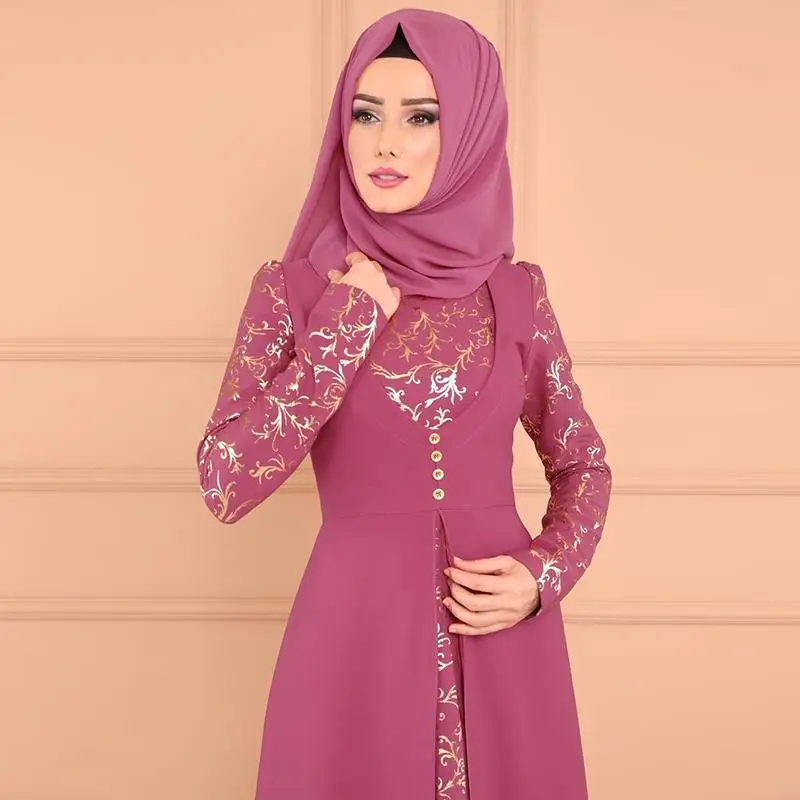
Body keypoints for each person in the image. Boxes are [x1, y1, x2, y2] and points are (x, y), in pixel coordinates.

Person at [196, 8, 612, 800]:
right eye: (366, 114)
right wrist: (345, 326)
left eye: (421, 117)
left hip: (503, 641)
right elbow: (225, 482)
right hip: (353, 646)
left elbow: (583, 464)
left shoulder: (516, 293)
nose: (385, 143)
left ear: (470, 135)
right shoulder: (294, 292)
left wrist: (542, 575)